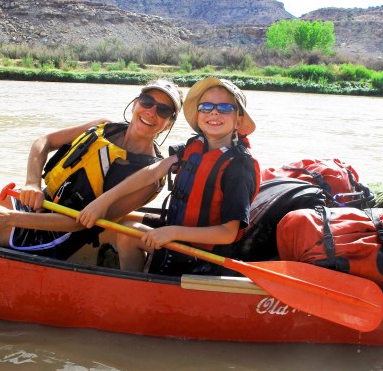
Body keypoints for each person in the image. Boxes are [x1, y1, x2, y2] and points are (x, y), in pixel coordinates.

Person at [0, 79, 183, 260]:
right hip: (35, 204)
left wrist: (11, 219)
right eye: (147, 102)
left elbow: (82, 224)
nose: (151, 112)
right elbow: (43, 142)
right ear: (135, 104)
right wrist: (33, 183)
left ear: (168, 124)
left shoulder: (150, 179)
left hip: (49, 236)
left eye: (162, 110)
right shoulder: (103, 127)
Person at [77, 77, 260, 275]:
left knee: (128, 233)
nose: (214, 112)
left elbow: (228, 233)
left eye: (224, 108)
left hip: (205, 256)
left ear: (238, 121)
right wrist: (104, 200)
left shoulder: (239, 168)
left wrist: (171, 232)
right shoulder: (194, 147)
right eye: (206, 107)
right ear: (198, 116)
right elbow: (152, 172)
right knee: (123, 219)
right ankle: (144, 269)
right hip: (180, 233)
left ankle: (138, 288)